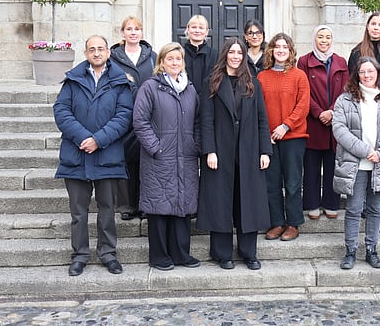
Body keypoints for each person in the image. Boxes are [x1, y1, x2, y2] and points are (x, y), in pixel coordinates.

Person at [53, 35, 133, 277]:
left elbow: (124, 116)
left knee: (107, 209)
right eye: (91, 49)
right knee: (78, 212)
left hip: (108, 155)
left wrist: (98, 140)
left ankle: (108, 254)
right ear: (86, 54)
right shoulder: (72, 80)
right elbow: (61, 110)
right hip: (75, 156)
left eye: (100, 49)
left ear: (108, 52)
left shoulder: (120, 81)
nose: (96, 53)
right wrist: (82, 137)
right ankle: (80, 255)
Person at [197, 38, 272, 270]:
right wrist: (209, 150)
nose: (236, 56)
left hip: (248, 151)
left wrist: (265, 151)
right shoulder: (212, 82)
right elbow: (206, 120)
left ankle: (249, 253)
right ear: (225, 55)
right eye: (232, 52)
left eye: (240, 53)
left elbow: (262, 119)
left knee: (247, 202)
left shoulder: (253, 83)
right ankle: (222, 254)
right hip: (220, 151)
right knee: (220, 202)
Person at [133, 42, 201, 271]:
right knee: (159, 206)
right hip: (159, 158)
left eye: (178, 59)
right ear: (161, 62)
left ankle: (181, 253)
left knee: (182, 205)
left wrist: (195, 145)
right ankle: (159, 256)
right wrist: (156, 147)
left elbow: (198, 121)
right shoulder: (150, 87)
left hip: (186, 156)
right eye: (169, 59)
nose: (174, 63)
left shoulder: (190, 89)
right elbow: (140, 121)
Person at [332, 57, 380, 269]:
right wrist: (365, 151)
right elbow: (339, 129)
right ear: (357, 74)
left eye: (370, 71)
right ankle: (350, 251)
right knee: (354, 209)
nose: (366, 75)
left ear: (378, 73)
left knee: (375, 210)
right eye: (362, 72)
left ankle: (372, 250)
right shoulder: (345, 100)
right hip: (355, 164)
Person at [257, 33, 310, 241]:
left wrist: (285, 126)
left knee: (293, 182)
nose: (280, 50)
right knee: (271, 183)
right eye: (277, 47)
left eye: (284, 47)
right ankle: (277, 222)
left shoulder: (299, 76)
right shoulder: (262, 77)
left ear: (290, 51)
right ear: (271, 50)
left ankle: (293, 223)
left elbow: (303, 105)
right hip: (269, 138)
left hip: (293, 137)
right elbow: (258, 108)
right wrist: (266, 134)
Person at [297, 25, 348, 220]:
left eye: (328, 37)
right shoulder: (304, 61)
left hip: (335, 122)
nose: (324, 40)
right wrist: (319, 113)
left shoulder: (341, 62)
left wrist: (332, 111)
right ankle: (311, 204)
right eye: (320, 37)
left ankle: (331, 203)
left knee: (332, 165)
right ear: (314, 39)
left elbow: (346, 90)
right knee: (311, 166)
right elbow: (303, 91)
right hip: (313, 121)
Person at [109, 16, 157, 221]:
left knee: (147, 160)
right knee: (126, 159)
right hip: (123, 113)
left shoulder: (152, 56)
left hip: (149, 115)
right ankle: (127, 204)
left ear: (141, 32)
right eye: (129, 29)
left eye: (136, 29)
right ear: (123, 32)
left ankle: (146, 203)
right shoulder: (113, 58)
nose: (133, 32)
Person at [181, 14, 218, 95]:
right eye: (193, 27)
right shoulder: (179, 54)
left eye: (201, 28)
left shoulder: (215, 55)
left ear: (206, 31)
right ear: (188, 29)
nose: (197, 31)